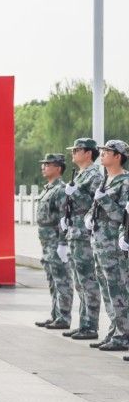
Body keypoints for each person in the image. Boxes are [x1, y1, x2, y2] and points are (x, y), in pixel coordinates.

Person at [62, 138, 106, 344]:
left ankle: (90, 326)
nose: (73, 153)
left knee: (88, 281)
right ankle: (84, 323)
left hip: (84, 234)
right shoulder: (81, 174)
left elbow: (94, 204)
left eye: (77, 150)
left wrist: (76, 193)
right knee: (80, 282)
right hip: (75, 232)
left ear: (88, 153)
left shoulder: (94, 175)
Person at [89, 140, 129, 353]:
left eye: (107, 151)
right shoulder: (105, 180)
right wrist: (88, 217)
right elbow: (95, 208)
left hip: (114, 245)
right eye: (102, 150)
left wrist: (104, 200)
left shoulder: (125, 182)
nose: (102, 153)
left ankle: (124, 335)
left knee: (118, 289)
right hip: (100, 244)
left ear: (118, 156)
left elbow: (123, 216)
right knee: (106, 290)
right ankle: (115, 331)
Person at [36, 153, 73, 330]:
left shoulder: (60, 190)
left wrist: (63, 243)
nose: (43, 167)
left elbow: (63, 218)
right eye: (43, 164)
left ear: (58, 168)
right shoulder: (48, 188)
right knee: (52, 279)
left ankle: (64, 317)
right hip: (46, 241)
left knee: (61, 279)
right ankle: (56, 314)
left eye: (48, 164)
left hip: (55, 240)